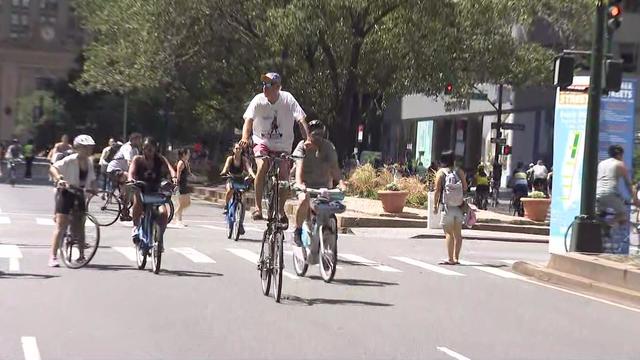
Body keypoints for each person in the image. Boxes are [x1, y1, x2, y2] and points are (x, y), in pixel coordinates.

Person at [239, 72, 310, 225]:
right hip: (261, 142)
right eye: (264, 84)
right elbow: (248, 121)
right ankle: (258, 207)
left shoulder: (288, 99)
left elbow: (301, 120)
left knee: (284, 176)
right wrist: (245, 137)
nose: (265, 87)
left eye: (270, 84)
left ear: (278, 87)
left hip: (283, 145)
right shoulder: (258, 100)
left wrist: (308, 140)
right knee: (263, 165)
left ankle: (280, 210)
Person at [291, 120, 345, 246]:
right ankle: (297, 230)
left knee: (330, 208)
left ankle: (329, 242)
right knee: (304, 199)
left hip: (323, 187)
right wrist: (300, 183)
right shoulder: (302, 147)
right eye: (314, 134)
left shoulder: (328, 147)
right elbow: (299, 167)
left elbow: (334, 168)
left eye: (320, 134)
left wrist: (341, 183)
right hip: (305, 185)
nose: (317, 137)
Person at [48, 135, 97, 267]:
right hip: (67, 192)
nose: (88, 151)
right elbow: (53, 168)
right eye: (85, 148)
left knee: (80, 225)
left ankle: (81, 255)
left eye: (90, 148)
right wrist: (60, 179)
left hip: (80, 193)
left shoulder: (89, 162)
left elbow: (92, 179)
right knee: (61, 224)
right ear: (78, 148)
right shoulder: (70, 160)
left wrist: (94, 189)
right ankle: (53, 256)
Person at [128, 137, 176, 244]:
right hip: (141, 189)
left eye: (151, 148)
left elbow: (170, 169)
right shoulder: (138, 159)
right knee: (138, 199)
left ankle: (159, 239)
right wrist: (131, 180)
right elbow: (131, 172)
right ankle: (135, 227)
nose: (148, 151)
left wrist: (174, 178)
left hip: (155, 192)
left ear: (155, 149)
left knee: (163, 214)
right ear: (142, 149)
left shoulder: (160, 159)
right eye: (146, 148)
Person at [433, 151, 467, 265]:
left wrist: (435, 205)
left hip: (447, 207)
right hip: (459, 207)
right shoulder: (460, 172)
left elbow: (437, 191)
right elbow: (465, 187)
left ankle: (450, 259)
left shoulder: (440, 173)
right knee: (458, 234)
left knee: (448, 233)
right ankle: (456, 258)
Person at [107, 133, 142, 221]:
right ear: (133, 140)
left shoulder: (136, 150)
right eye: (138, 140)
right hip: (113, 169)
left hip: (121, 171)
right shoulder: (127, 148)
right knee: (128, 178)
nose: (140, 142)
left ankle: (124, 211)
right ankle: (122, 197)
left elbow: (137, 162)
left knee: (130, 189)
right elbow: (129, 162)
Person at [596, 145, 635, 224]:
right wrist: (635, 199)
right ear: (620, 154)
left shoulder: (601, 164)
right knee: (622, 214)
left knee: (600, 215)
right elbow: (628, 184)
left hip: (597, 193)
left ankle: (600, 229)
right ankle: (608, 224)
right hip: (610, 193)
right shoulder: (620, 164)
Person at [220, 143, 256, 215]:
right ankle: (226, 206)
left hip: (240, 179)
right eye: (236, 149)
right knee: (230, 190)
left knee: (243, 193)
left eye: (240, 149)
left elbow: (249, 168)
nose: (238, 150)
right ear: (233, 150)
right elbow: (226, 167)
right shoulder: (230, 158)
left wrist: (253, 176)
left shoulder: (244, 159)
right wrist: (223, 172)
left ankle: (241, 218)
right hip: (231, 178)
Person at [172, 148, 193, 228]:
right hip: (181, 185)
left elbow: (189, 172)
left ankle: (178, 217)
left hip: (185, 184)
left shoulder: (186, 162)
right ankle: (178, 219)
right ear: (184, 154)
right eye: (188, 153)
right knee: (182, 203)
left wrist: (193, 176)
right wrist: (177, 184)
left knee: (187, 203)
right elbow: (178, 174)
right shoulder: (181, 163)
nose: (189, 155)